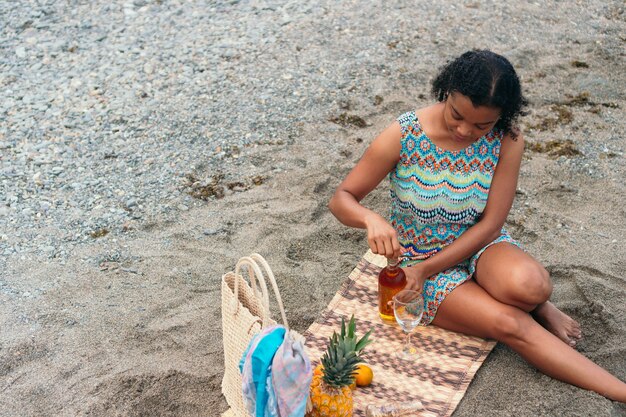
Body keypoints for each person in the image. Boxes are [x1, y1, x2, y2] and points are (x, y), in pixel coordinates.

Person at [328, 49, 626, 402]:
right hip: (421, 259)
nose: (465, 130)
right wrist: (371, 219)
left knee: (534, 287)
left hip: (481, 242)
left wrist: (428, 269)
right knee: (510, 325)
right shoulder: (404, 133)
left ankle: (537, 304)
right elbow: (342, 198)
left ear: (502, 116)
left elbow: (491, 224)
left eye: (481, 125)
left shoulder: (508, 139)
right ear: (446, 92)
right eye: (457, 115)